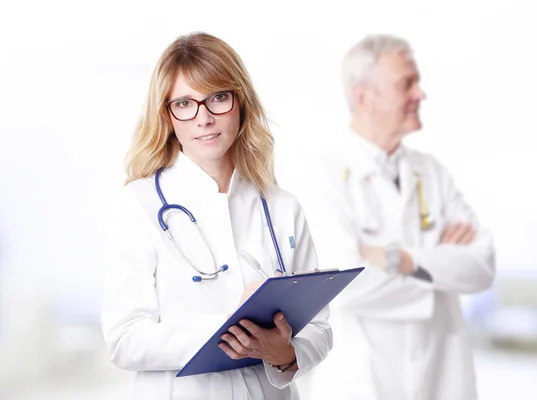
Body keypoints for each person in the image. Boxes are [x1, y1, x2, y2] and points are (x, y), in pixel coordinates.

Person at [101, 32, 332, 400]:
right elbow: (124, 339)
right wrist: (228, 330)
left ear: (241, 102)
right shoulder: (140, 204)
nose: (203, 118)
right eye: (184, 104)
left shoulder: (282, 206)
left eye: (218, 98)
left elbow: (319, 326)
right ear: (167, 115)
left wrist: (286, 355)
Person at [297, 34, 495, 399]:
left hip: (442, 377)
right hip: (362, 381)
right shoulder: (321, 173)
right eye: (407, 83)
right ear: (364, 97)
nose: (421, 94)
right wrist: (441, 269)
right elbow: (343, 285)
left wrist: (400, 259)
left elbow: (481, 267)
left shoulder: (431, 172)